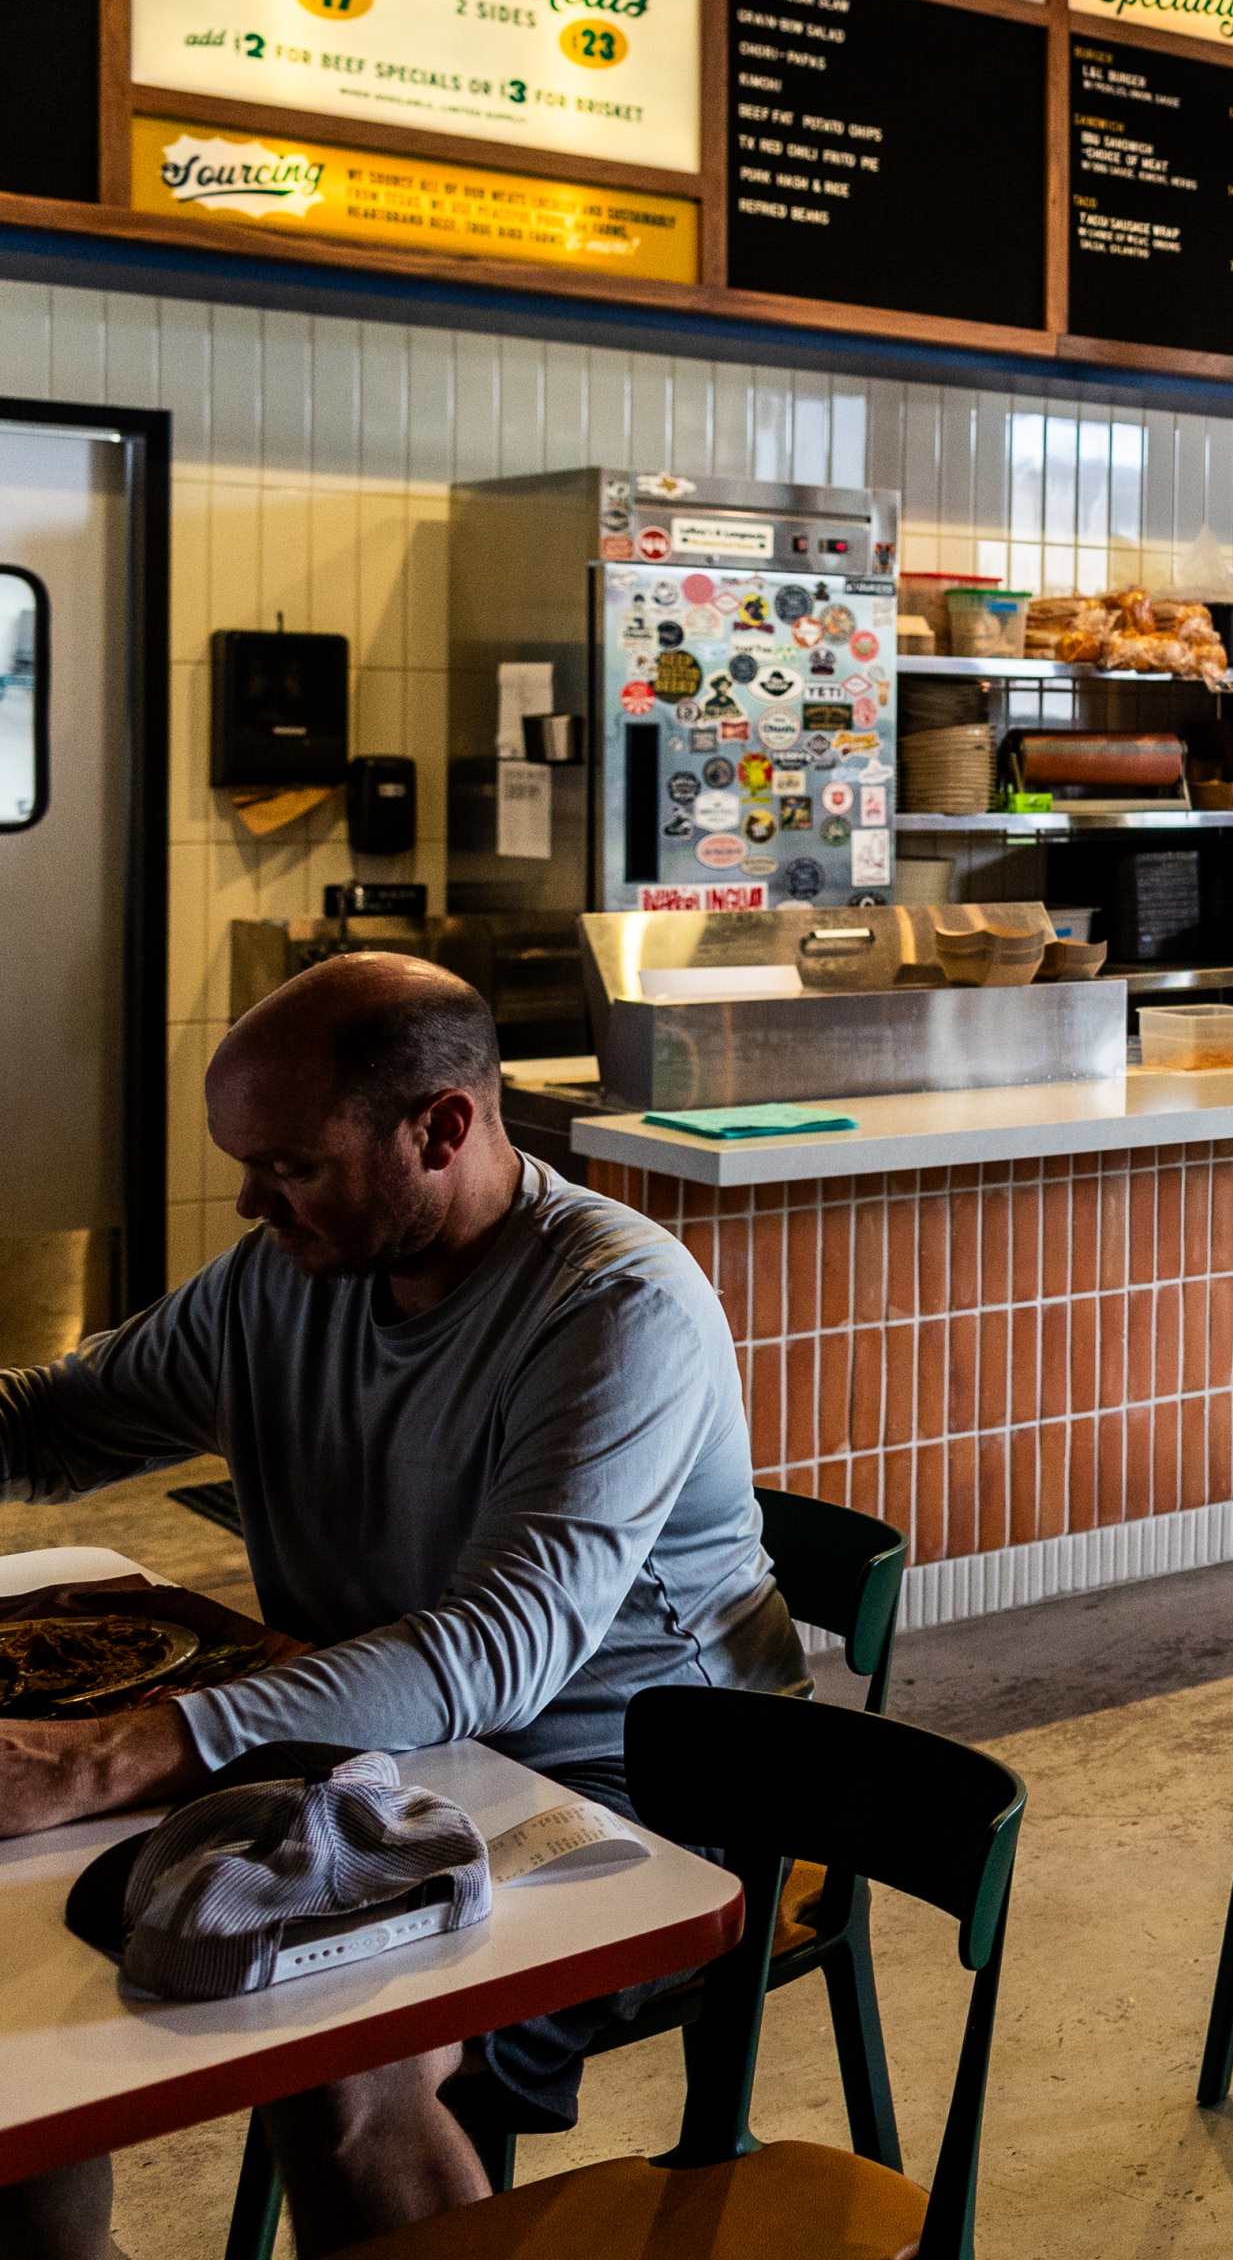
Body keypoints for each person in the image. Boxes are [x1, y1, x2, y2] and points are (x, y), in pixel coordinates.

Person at [0, 955, 803, 2260]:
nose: (254, 1202)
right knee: (15, 1979)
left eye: (291, 1166)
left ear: (443, 1126)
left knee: (337, 2048)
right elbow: (52, 1421)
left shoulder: (613, 1304)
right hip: (388, 1759)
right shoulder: (286, 1277)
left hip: (630, 1797)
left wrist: (106, 1752)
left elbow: (498, 1649)